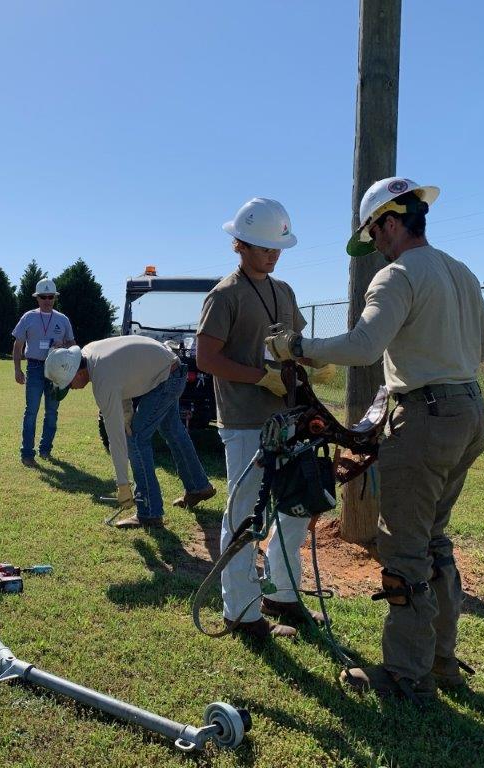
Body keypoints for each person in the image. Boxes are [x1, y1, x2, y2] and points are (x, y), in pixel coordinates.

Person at [266, 177, 484, 699]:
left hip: (426, 416)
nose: (376, 247)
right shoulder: (462, 272)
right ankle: (439, 659)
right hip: (469, 411)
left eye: (375, 234)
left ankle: (408, 674)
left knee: (405, 547)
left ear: (390, 222)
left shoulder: (396, 276)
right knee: (433, 537)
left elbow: (365, 347)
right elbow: (481, 351)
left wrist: (298, 346)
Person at [196, 197, 333, 640]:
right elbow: (206, 357)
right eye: (263, 247)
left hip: (288, 416)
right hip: (245, 422)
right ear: (240, 245)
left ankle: (283, 593)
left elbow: (294, 342)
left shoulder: (284, 292)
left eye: (277, 248)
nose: (272, 255)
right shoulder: (225, 295)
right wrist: (260, 379)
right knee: (244, 515)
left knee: (297, 506)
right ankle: (241, 612)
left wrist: (316, 360)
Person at [44, 336, 213, 528]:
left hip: (165, 378)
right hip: (172, 369)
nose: (72, 389)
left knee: (136, 439)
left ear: (76, 373)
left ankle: (149, 512)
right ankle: (199, 487)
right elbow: (123, 379)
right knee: (172, 430)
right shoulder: (90, 351)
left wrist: (123, 485)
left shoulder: (102, 380)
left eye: (68, 385)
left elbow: (117, 440)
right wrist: (126, 415)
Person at [12, 279, 75, 467]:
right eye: (43, 297)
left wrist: (62, 345)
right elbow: (18, 345)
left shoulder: (63, 319)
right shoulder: (28, 317)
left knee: (52, 412)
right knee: (31, 412)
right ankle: (27, 453)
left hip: (56, 371)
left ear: (55, 298)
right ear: (37, 298)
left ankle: (45, 450)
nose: (47, 300)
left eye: (50, 297)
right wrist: (17, 369)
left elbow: (72, 345)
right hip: (34, 367)